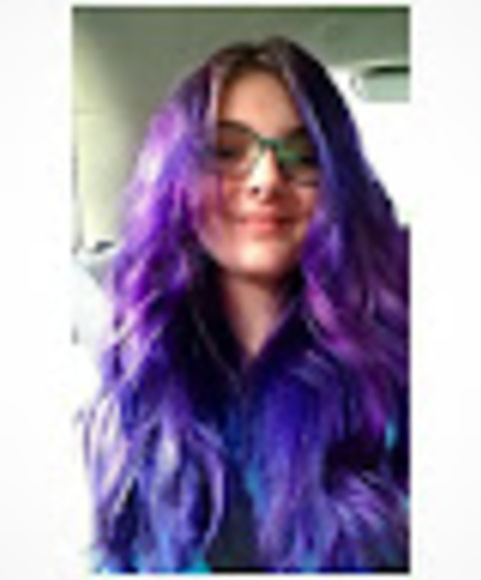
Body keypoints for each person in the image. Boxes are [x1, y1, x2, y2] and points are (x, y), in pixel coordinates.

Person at [83, 37, 409, 573]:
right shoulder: (134, 376)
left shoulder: (395, 374)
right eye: (226, 152)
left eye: (303, 157)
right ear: (176, 180)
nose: (266, 180)